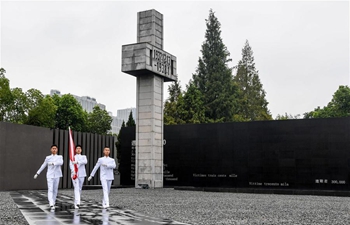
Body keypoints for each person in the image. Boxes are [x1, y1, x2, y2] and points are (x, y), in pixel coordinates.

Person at [34, 144, 63, 210]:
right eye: (53, 148)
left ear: (57, 149)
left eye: (55, 148)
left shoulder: (59, 157)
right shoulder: (48, 158)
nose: (54, 150)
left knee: (55, 189)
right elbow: (43, 165)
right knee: (50, 189)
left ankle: (53, 201)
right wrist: (37, 173)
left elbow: (61, 163)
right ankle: (51, 203)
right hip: (50, 175)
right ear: (51, 150)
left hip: (57, 175)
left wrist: (53, 163)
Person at [69, 144, 87, 209]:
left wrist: (77, 162)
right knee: (76, 188)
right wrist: (73, 171)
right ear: (75, 150)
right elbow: (71, 165)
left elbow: (85, 162)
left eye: (79, 148)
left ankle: (76, 202)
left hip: (82, 174)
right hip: (74, 174)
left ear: (81, 150)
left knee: (79, 188)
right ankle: (78, 202)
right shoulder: (73, 157)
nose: (78, 149)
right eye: (77, 148)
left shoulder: (83, 156)